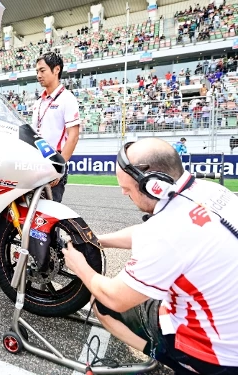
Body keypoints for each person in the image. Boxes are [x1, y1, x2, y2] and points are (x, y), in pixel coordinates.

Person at [62, 138, 238, 374]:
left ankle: (165, 354)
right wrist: (98, 240)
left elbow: (115, 297)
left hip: (217, 356)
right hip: (229, 324)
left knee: (102, 301)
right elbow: (147, 233)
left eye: (127, 188)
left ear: (154, 185)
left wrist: (79, 266)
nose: (124, 193)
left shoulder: (167, 231)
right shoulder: (211, 190)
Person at [31, 52, 81, 203]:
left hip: (54, 163)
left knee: (49, 217)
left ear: (56, 70)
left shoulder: (67, 98)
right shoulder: (38, 102)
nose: (39, 75)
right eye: (37, 71)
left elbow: (73, 136)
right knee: (32, 215)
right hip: (35, 165)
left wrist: (59, 167)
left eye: (42, 70)